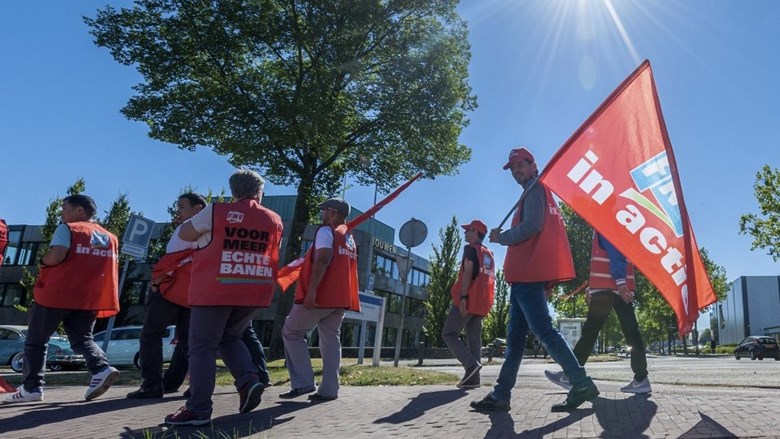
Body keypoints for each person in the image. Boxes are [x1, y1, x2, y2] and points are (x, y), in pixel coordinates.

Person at [470, 147, 599, 413]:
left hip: (528, 275)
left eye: (520, 165)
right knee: (515, 340)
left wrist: (502, 237)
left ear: (533, 165)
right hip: (524, 277)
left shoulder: (534, 188)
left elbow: (533, 226)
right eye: (513, 168)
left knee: (544, 332)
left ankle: (581, 383)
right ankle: (501, 394)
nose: (516, 171)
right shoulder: (535, 190)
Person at [163, 169, 283, 426]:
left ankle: (198, 408)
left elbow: (185, 234)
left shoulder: (217, 211)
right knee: (229, 336)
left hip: (216, 287)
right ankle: (248, 380)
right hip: (253, 288)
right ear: (258, 192)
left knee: (201, 346)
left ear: (234, 191)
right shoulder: (274, 219)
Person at [4, 195, 120, 404]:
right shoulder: (110, 237)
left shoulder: (69, 228)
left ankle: (32, 388)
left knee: (36, 341)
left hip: (57, 294)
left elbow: (57, 255)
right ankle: (101, 368)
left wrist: (43, 261)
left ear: (79, 211)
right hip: (88, 298)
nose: (61, 214)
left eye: (64, 209)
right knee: (83, 339)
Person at [545, 232, 651, 394]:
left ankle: (570, 375)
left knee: (590, 333)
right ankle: (641, 379)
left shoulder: (606, 223)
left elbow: (615, 251)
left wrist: (618, 282)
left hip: (609, 289)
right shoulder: (617, 222)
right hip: (617, 287)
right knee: (631, 333)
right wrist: (594, 287)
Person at [127, 192, 207, 399]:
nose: (177, 211)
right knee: (189, 340)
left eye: (181, 207)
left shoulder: (185, 231)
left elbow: (173, 259)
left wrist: (157, 280)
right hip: (193, 292)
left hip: (170, 289)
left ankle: (152, 385)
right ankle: (195, 385)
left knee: (151, 334)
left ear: (197, 210)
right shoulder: (211, 233)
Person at [281, 197, 360, 402]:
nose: (322, 214)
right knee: (330, 340)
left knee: (291, 331)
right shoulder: (349, 237)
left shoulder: (326, 231)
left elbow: (323, 259)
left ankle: (303, 382)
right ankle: (329, 389)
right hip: (341, 298)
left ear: (332, 212)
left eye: (324, 210)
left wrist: (312, 291)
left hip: (322, 296)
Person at [442, 219, 495, 389]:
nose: (465, 233)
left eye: (467, 230)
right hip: (482, 302)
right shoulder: (488, 253)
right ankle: (474, 379)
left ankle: (471, 365)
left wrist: (463, 298)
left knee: (449, 334)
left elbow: (468, 273)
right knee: (474, 340)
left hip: (468, 299)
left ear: (475, 232)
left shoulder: (470, 250)